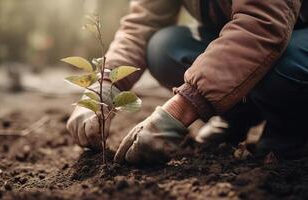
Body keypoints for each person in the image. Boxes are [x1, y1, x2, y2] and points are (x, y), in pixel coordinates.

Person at [67, 0, 308, 164]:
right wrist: (106, 85)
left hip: (293, 42)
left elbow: (261, 25)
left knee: (289, 64)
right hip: (248, 44)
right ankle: (237, 115)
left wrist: (182, 108)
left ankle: (290, 129)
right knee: (164, 47)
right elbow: (142, 24)